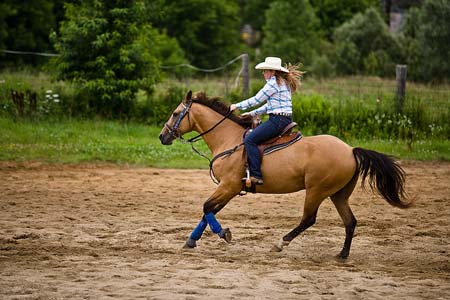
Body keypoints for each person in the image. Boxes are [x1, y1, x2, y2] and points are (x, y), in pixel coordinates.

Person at [230, 56, 304, 185]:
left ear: (273, 71)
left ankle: (256, 175)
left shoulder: (272, 83)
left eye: (265, 70)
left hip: (277, 120)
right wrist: (252, 113)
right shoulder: (282, 82)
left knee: (250, 140)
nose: (263, 73)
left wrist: (237, 106)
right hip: (284, 119)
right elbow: (269, 106)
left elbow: (256, 99)